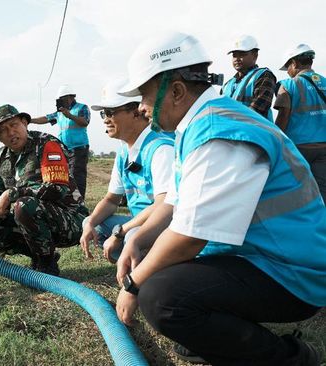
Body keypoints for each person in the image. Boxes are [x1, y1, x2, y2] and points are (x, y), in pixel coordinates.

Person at [113, 31, 325, 365]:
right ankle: (213, 335)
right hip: (266, 257)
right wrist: (138, 239)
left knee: (160, 296)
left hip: (293, 274)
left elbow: (188, 238)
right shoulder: (199, 124)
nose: (141, 107)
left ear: (178, 91)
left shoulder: (219, 134)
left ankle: (291, 358)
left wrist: (132, 285)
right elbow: (174, 204)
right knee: (157, 262)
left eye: (145, 96)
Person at [0, 104, 88, 276]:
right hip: (33, 219)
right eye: (3, 130)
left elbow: (57, 189)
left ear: (24, 123)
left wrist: (12, 193)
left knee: (24, 205)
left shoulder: (47, 144)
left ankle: (46, 267)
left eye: (14, 125)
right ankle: (42, 255)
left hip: (71, 221)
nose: (10, 133)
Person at [79, 81, 174, 262]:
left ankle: (147, 270)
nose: (106, 119)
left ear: (136, 112)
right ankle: (135, 259)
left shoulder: (161, 149)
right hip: (138, 221)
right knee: (92, 223)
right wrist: (91, 222)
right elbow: (111, 200)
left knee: (133, 235)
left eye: (111, 112)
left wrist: (120, 232)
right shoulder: (124, 151)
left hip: (164, 225)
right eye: (103, 113)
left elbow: (164, 206)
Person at [274, 44, 326, 201]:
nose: (288, 72)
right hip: (324, 147)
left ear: (294, 63)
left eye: (288, 67)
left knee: (297, 194)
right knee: (321, 193)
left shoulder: (288, 85)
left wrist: (276, 139)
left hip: (298, 148)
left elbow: (283, 115)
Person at [31, 85, 91, 199]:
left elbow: (85, 122)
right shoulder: (59, 113)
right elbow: (46, 118)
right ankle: (70, 199)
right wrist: (30, 120)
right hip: (64, 149)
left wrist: (69, 115)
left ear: (70, 97)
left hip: (79, 148)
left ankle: (80, 201)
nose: (60, 102)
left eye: (62, 99)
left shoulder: (82, 108)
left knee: (77, 175)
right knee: (66, 175)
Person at [220, 35, 276, 121]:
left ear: (255, 55)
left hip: (256, 132)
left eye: (242, 54)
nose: (237, 59)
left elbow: (258, 109)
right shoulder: (227, 85)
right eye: (234, 55)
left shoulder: (264, 76)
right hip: (231, 132)